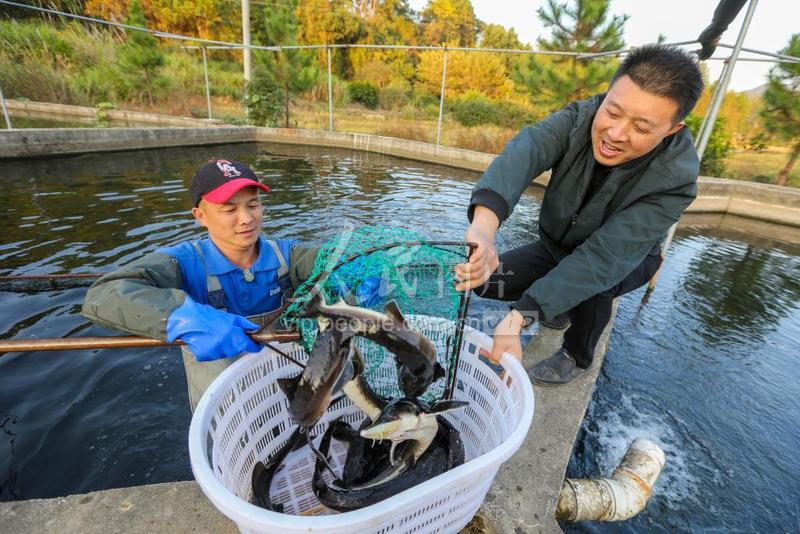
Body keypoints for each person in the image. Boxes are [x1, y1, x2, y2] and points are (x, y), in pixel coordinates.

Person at [455, 44, 704, 385]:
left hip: (626, 259)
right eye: (613, 113)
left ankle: (576, 355)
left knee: (594, 288)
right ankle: (555, 307)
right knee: (484, 281)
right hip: (557, 244)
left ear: (672, 130)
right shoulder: (580, 117)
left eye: (642, 128)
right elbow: (525, 152)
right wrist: (484, 228)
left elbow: (603, 258)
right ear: (606, 97)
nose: (615, 134)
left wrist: (520, 317)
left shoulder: (675, 180)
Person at [82, 159, 318, 410]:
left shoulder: (288, 255)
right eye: (229, 210)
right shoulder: (183, 262)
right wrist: (181, 316)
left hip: (289, 395)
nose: (247, 219)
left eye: (253, 204)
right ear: (200, 216)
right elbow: (104, 293)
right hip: (224, 408)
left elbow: (338, 257)